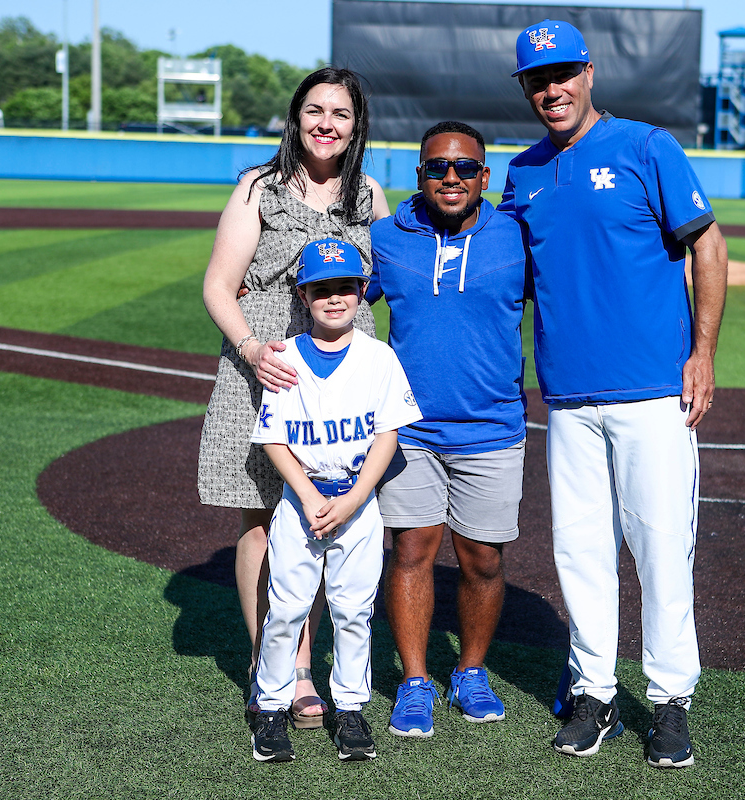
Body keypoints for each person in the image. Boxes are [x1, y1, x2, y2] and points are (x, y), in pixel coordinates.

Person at [498, 21, 729, 768]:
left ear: (589, 73)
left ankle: (668, 702)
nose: (551, 89)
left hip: (651, 393)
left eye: (562, 73)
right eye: (537, 79)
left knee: (662, 550)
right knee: (581, 553)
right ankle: (594, 692)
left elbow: (707, 244)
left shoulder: (644, 147)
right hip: (566, 399)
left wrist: (703, 353)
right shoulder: (521, 172)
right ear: (526, 88)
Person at [197, 66, 390, 732]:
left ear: (355, 123)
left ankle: (328, 667)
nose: (326, 123)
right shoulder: (259, 186)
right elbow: (219, 286)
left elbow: (387, 278)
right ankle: (281, 669)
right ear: (295, 116)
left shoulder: (367, 193)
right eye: (315, 110)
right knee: (261, 520)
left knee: (331, 515)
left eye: (340, 113)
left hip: (341, 373)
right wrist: (253, 346)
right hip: (268, 367)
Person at [367, 121, 528, 737]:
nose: (452, 177)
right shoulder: (388, 238)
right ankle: (414, 681)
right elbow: (340, 298)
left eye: (465, 168)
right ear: (420, 176)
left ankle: (471, 671)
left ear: (485, 177)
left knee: (482, 559)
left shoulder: (517, 238)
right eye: (438, 167)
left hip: (493, 427)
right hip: (409, 431)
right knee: (410, 551)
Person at [247, 238, 422, 762]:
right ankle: (272, 706)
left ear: (362, 291)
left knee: (352, 611)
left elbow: (388, 434)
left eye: (344, 286)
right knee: (285, 611)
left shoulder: (378, 358)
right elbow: (274, 438)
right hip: (300, 501)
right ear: (303, 295)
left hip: (357, 504)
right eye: (321, 288)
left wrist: (353, 500)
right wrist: (305, 495)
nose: (334, 297)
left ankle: (350, 709)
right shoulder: (285, 358)